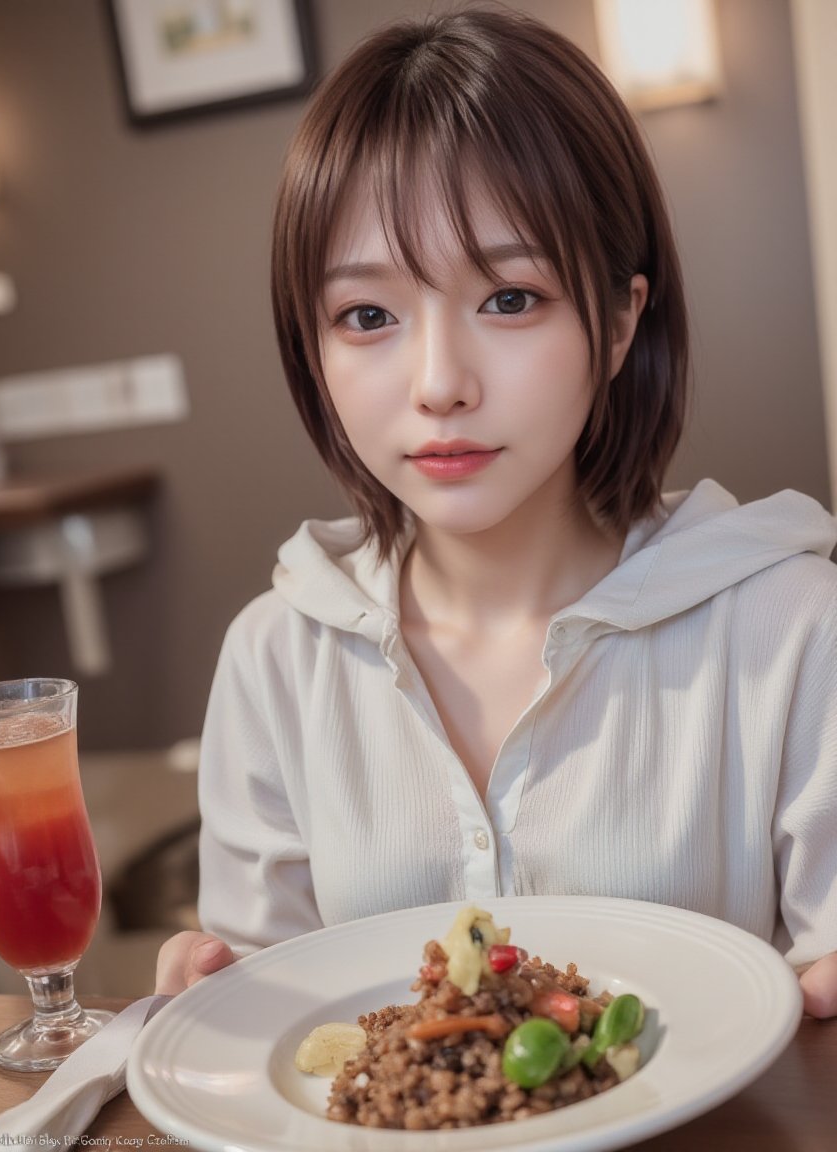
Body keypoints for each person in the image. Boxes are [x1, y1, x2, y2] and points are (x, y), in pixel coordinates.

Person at [156, 6, 837, 1017]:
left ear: (617, 321)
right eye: (368, 315)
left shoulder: (789, 624)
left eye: (507, 298)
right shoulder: (274, 659)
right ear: (313, 347)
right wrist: (208, 1002)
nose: (438, 384)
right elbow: (276, 1036)